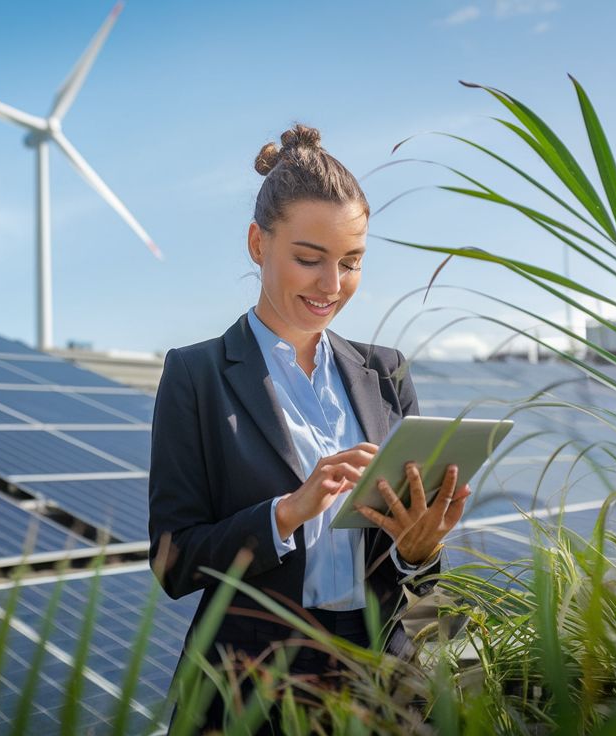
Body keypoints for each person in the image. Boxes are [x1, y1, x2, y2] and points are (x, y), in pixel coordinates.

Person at [148, 123, 472, 730]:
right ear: (257, 243)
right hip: (252, 686)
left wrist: (420, 549)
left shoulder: (386, 372)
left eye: (351, 263)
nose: (332, 286)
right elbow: (174, 563)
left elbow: (417, 574)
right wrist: (285, 514)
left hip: (383, 680)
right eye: (309, 259)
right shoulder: (196, 375)